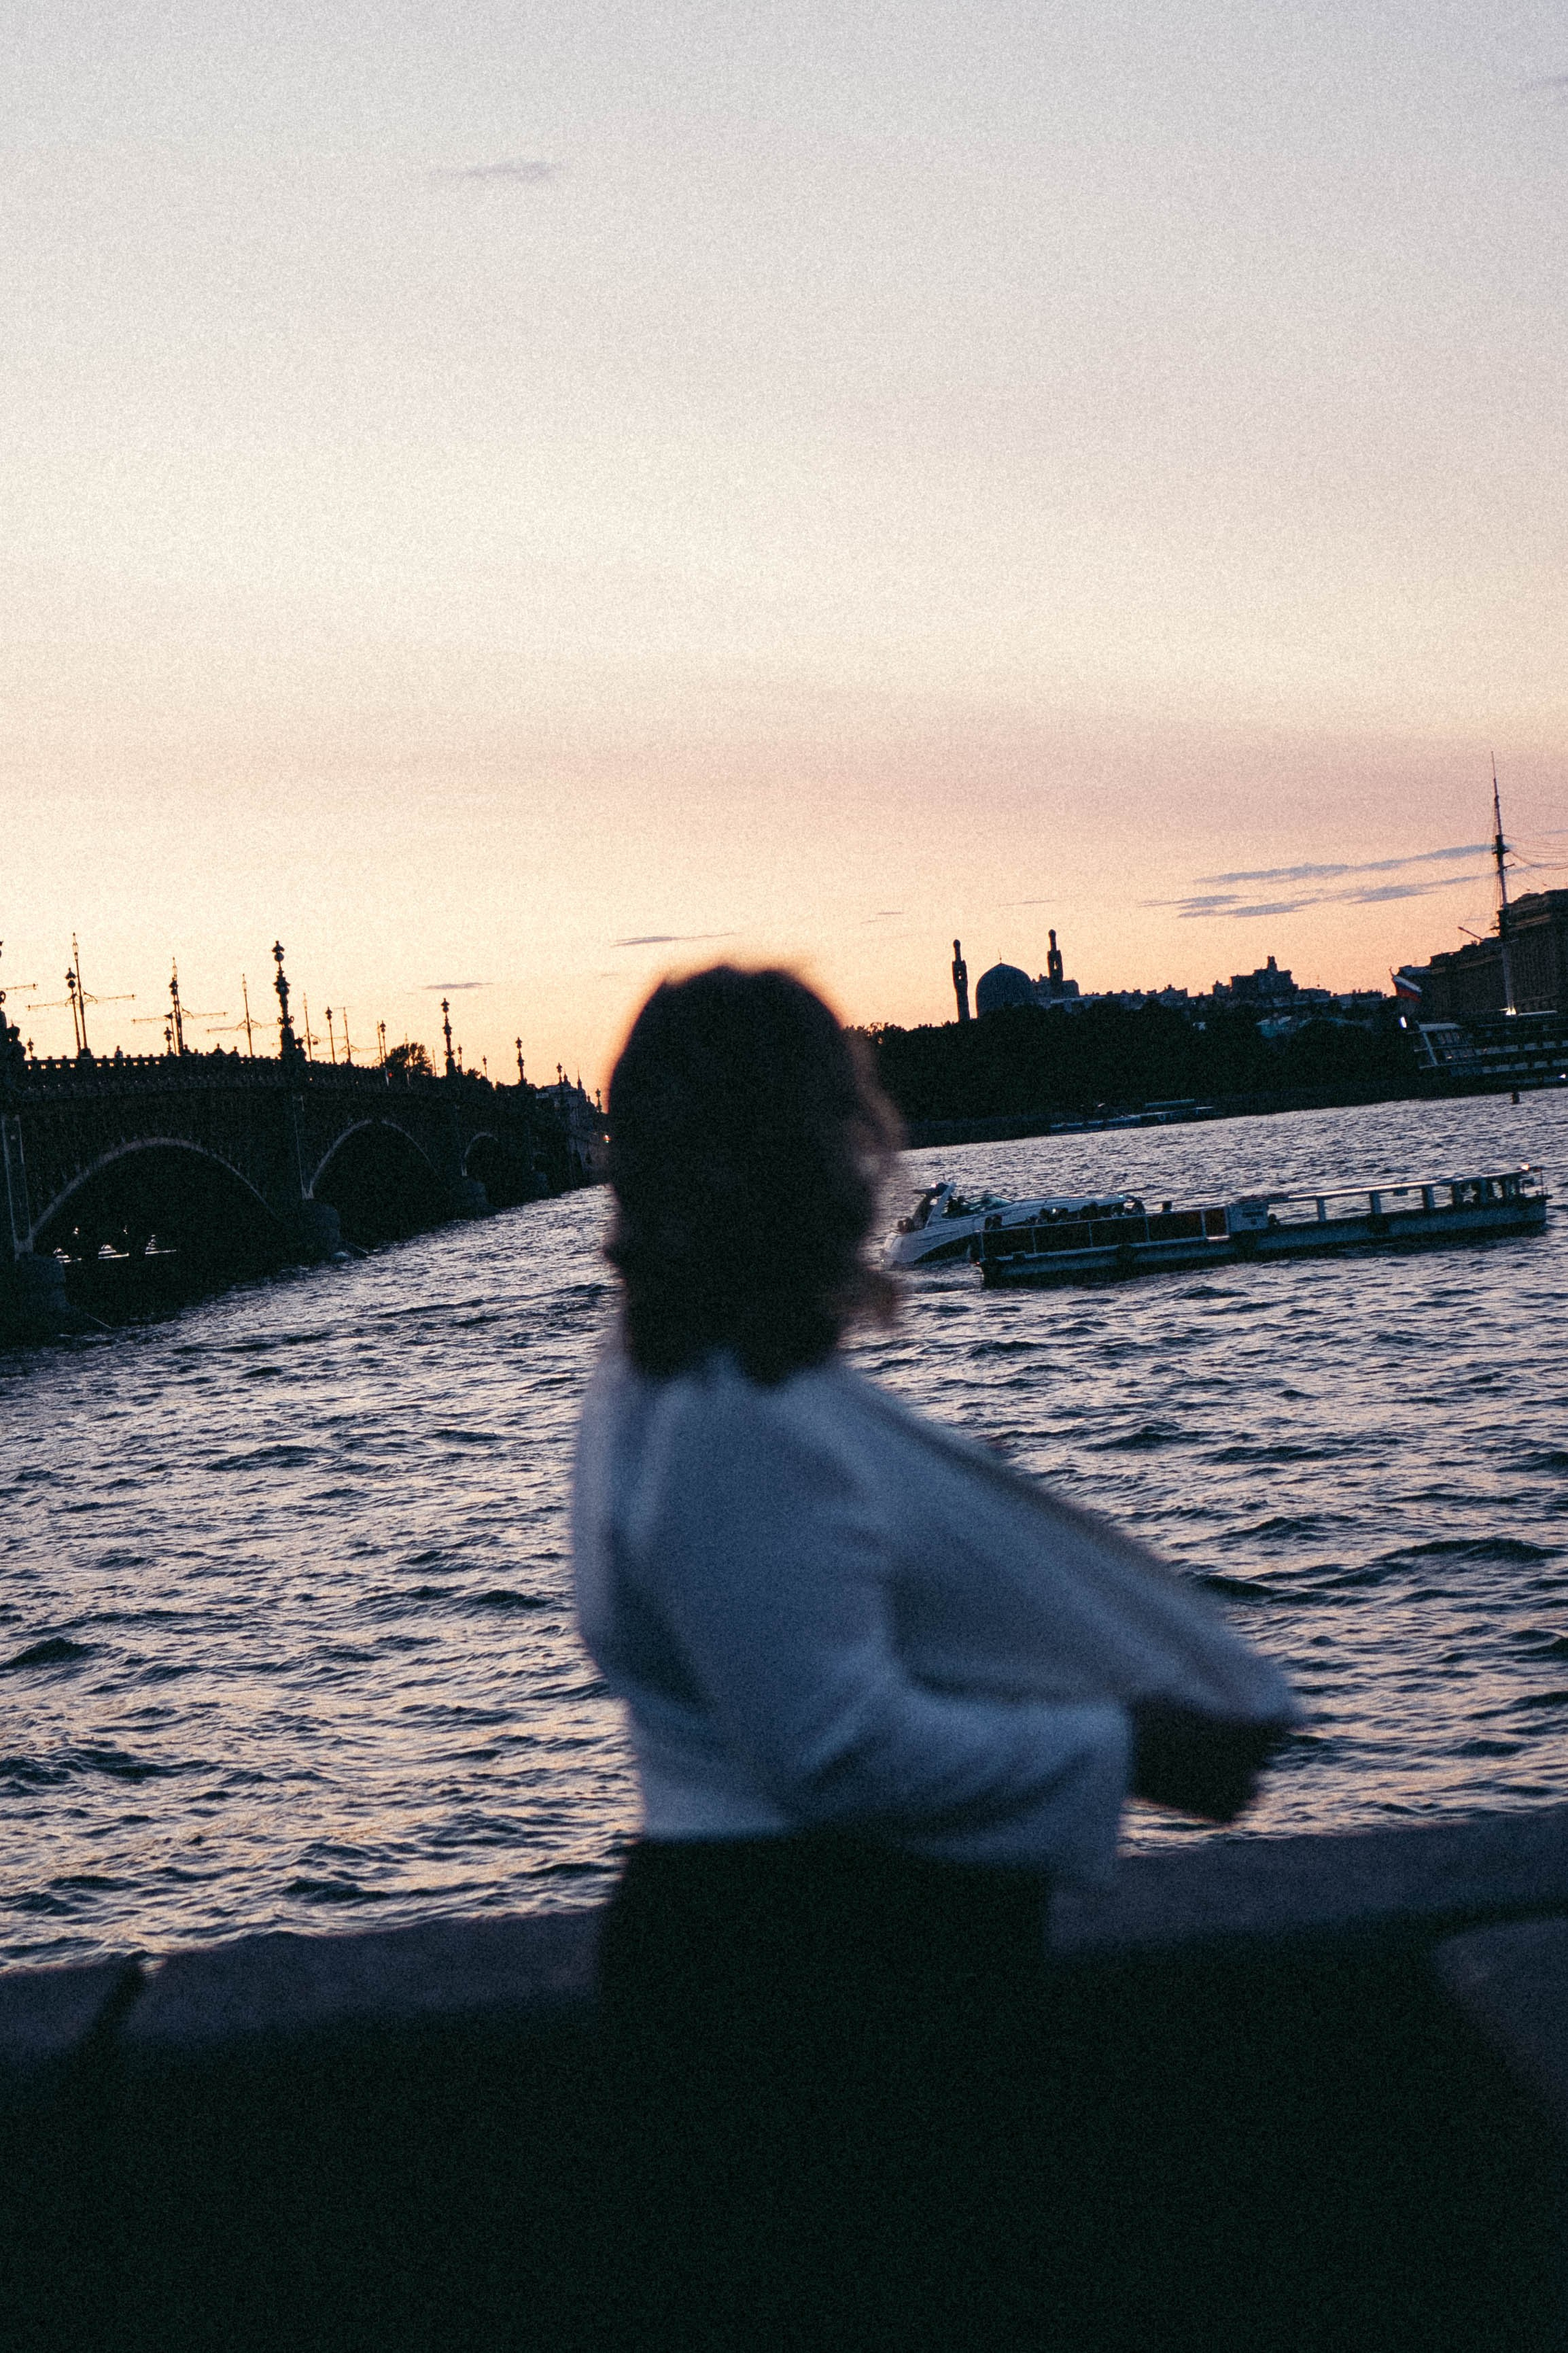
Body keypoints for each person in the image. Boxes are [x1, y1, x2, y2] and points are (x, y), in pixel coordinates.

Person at [572, 966, 1288, 2352]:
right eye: (848, 1116)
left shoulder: (649, 1374)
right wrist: (1124, 1744)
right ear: (812, 1152)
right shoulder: (743, 1419)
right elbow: (824, 1742)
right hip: (825, 1990)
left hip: (755, 1959)